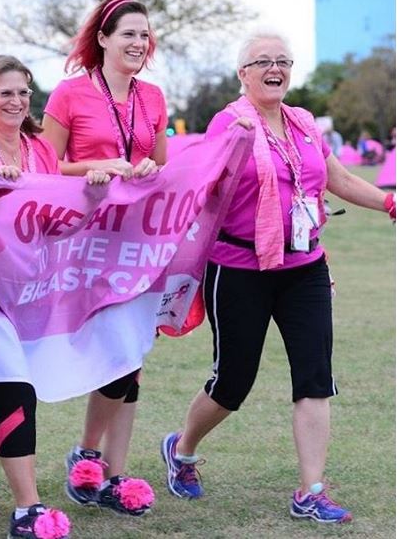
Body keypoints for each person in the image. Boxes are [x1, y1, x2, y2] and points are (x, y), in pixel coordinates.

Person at [160, 30, 396, 524]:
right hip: (239, 268)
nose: (275, 68)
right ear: (242, 74)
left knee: (315, 377)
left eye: (283, 61)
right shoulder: (229, 124)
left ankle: (311, 490)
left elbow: (339, 179)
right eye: (262, 61)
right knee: (232, 383)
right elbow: (192, 185)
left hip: (304, 267)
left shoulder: (304, 123)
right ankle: (181, 450)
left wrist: (389, 201)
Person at [0, 55, 109, 539]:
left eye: (24, 92)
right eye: (5, 92)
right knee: (16, 390)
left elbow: (58, 222)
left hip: (29, 292)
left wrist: (89, 195)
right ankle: (28, 511)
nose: (17, 101)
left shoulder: (41, 153)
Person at [41, 0, 167, 516]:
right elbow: (42, 167)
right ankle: (87, 454)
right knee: (106, 351)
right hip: (84, 242)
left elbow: (164, 167)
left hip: (137, 244)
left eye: (144, 34)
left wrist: (144, 170)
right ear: (103, 40)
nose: (139, 43)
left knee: (130, 355)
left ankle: (109, 471)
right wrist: (96, 169)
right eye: (129, 34)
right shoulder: (70, 93)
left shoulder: (155, 97)